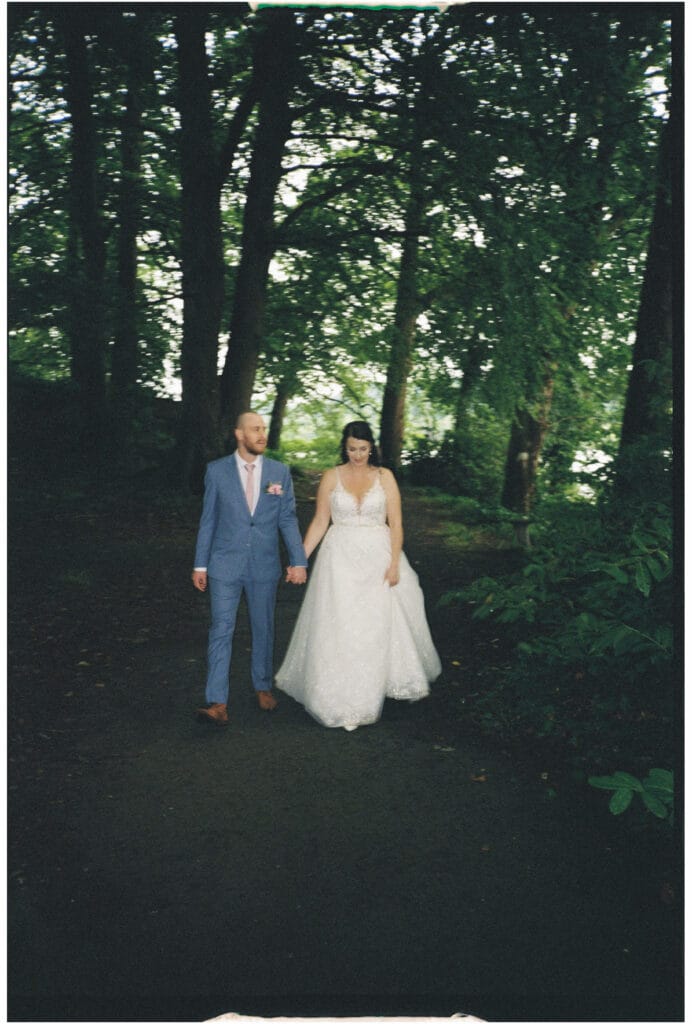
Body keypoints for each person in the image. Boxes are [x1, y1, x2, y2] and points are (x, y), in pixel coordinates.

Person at [276, 421, 441, 731]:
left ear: (371, 448)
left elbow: (397, 523)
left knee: (375, 623)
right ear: (345, 446)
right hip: (339, 558)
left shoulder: (385, 477)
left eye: (363, 449)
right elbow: (320, 522)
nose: (357, 455)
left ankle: (375, 682)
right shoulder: (330, 477)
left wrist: (394, 564)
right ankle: (339, 688)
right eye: (352, 449)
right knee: (341, 622)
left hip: (378, 556)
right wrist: (300, 559)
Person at [192, 412, 307, 726]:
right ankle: (217, 702)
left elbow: (287, 519)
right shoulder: (216, 472)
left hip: (264, 564)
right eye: (255, 429)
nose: (262, 434)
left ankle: (262, 685)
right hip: (224, 564)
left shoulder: (279, 473)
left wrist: (298, 560)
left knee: (263, 627)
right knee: (221, 629)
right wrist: (200, 564)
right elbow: (209, 520)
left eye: (264, 429)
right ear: (239, 434)